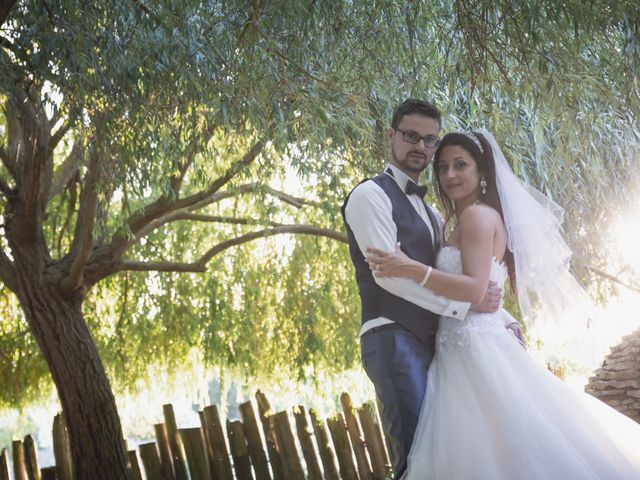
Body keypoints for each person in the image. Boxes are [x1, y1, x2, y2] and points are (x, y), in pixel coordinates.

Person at [367, 129, 640, 479]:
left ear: (482, 173)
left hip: (474, 348)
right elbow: (484, 290)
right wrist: (502, 314)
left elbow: (476, 289)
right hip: (461, 345)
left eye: (460, 165)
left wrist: (410, 268)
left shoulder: (475, 217)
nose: (450, 175)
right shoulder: (462, 218)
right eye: (444, 167)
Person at [341, 99, 523, 478]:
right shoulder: (369, 196)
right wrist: (467, 307)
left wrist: (500, 316)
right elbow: (388, 275)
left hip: (435, 346)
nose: (420, 147)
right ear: (391, 135)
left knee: (445, 456)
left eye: (429, 141)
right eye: (411, 136)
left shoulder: (435, 215)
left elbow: (461, 276)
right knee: (414, 456)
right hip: (392, 338)